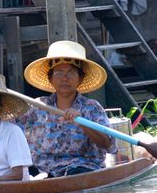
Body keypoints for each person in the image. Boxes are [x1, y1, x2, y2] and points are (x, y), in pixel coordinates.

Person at [14, 40, 117, 177]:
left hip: (82, 169)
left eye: (71, 73)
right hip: (42, 171)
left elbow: (107, 144)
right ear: (50, 79)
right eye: (58, 73)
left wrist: (82, 123)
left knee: (77, 173)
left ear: (80, 79)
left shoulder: (92, 107)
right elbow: (10, 130)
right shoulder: (37, 107)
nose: (64, 78)